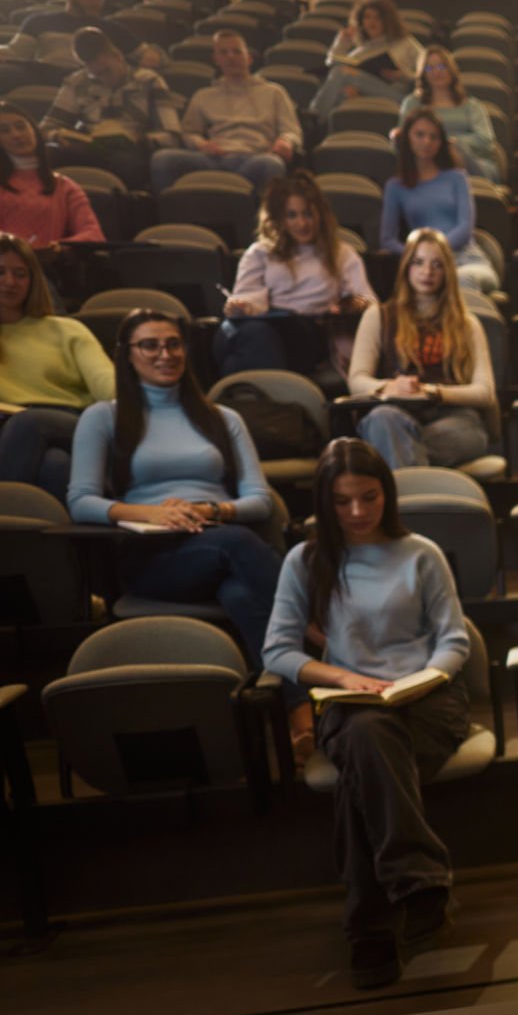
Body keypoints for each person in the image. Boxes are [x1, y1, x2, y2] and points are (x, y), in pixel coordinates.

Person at [262, 437, 471, 989]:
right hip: (350, 703)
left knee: (365, 756)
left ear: (388, 494)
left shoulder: (420, 553)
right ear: (325, 503)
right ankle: (419, 885)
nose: (357, 512)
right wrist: (343, 677)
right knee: (367, 733)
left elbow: (454, 642)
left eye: (369, 497)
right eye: (343, 501)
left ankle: (369, 927)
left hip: (426, 701)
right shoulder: (305, 560)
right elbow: (278, 651)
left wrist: (419, 679)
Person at [66, 308, 288, 676]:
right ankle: (319, 632)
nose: (165, 355)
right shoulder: (103, 417)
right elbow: (80, 502)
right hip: (155, 557)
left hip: (221, 539)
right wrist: (148, 512)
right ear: (127, 354)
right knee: (236, 545)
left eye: (173, 345)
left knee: (240, 594)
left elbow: (260, 500)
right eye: (149, 346)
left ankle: (294, 709)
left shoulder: (224, 418)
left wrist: (210, 511)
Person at [347, 226, 496, 471]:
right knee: (382, 420)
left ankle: (402, 484)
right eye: (418, 262)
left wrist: (433, 392)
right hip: (395, 412)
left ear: (447, 270)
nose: (427, 272)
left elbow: (485, 392)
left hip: (453, 419)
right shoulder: (379, 315)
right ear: (406, 267)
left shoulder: (467, 323)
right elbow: (356, 380)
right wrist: (388, 387)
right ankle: (419, 495)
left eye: (437, 264)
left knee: (394, 443)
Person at [217, 172, 376, 384]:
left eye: (308, 214)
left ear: (320, 214)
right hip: (264, 325)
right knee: (247, 333)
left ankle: (248, 394)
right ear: (280, 220)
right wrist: (241, 307)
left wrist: (351, 305)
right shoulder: (260, 252)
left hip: (308, 333)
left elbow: (368, 302)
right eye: (292, 215)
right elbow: (247, 298)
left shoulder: (341, 253)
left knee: (241, 356)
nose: (302, 223)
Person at [0, 232, 114, 493]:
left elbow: (108, 385)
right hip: (7, 426)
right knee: (55, 466)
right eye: (0, 271)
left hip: (69, 422)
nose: (9, 282)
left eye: (20, 274)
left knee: (29, 424)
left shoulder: (67, 329)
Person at [148, 31, 301, 195]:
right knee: (162, 159)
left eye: (236, 52)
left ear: (249, 58)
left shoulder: (274, 92)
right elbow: (188, 132)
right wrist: (201, 144)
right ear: (216, 59)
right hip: (214, 158)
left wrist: (285, 141)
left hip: (255, 156)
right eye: (224, 52)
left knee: (272, 165)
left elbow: (291, 130)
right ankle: (169, 218)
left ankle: (265, 220)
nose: (230, 57)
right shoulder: (203, 95)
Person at [40, 28, 183, 189]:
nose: (103, 78)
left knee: (124, 161)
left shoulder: (149, 81)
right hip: (89, 148)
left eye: (106, 71)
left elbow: (171, 135)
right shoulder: (78, 82)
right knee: (47, 155)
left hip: (134, 150)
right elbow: (47, 126)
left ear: (117, 56)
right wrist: (56, 136)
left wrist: (140, 140)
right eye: (96, 75)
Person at [380, 107, 497, 292]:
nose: (426, 141)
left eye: (433, 136)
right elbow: (387, 239)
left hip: (468, 262)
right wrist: (418, 257)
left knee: (462, 280)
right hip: (425, 269)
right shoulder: (396, 186)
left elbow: (465, 228)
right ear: (408, 137)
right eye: (419, 134)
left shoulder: (457, 177)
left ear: (441, 142)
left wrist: (435, 252)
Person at [0, 103, 104, 252]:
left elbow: (94, 235)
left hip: (50, 266)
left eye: (21, 126)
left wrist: (59, 247)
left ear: (34, 130)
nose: (16, 135)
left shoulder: (64, 186)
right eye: (5, 131)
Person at [309, 0, 425, 121]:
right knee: (343, 90)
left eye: (377, 17)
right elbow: (332, 64)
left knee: (342, 72)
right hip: (369, 93)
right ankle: (324, 131)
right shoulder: (362, 49)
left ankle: (314, 118)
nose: (372, 22)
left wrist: (402, 76)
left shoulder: (405, 43)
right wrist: (341, 43)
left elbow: (426, 72)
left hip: (398, 95)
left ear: (387, 21)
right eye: (367, 17)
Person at [397, 46, 500, 185]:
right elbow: (402, 140)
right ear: (423, 74)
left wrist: (450, 143)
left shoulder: (472, 106)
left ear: (451, 70)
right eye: (429, 68)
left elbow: (485, 141)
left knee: (454, 150)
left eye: (441, 66)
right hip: (426, 163)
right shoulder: (412, 103)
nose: (436, 72)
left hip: (476, 164)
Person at [17, 0, 139, 56]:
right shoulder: (39, 22)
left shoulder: (110, 29)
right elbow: (15, 52)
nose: (96, 3)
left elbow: (145, 54)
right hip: (46, 77)